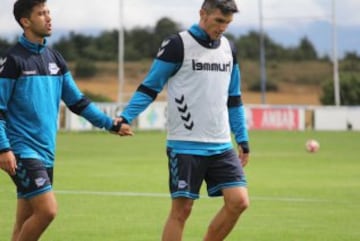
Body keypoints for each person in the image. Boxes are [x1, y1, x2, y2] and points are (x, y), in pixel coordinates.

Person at [0, 0, 132, 240]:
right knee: (48, 211)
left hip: (46, 151)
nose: (48, 17)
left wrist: (109, 124)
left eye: (48, 12)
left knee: (23, 222)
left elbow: (77, 101)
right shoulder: (13, 61)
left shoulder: (55, 59)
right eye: (41, 13)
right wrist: (3, 148)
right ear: (25, 22)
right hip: (21, 150)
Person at [118, 0, 250, 240]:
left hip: (221, 144)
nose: (222, 28)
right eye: (219, 21)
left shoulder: (229, 49)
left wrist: (242, 138)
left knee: (239, 202)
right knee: (182, 211)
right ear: (203, 13)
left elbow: (234, 98)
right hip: (185, 144)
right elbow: (150, 86)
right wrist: (125, 116)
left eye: (227, 23)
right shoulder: (177, 44)